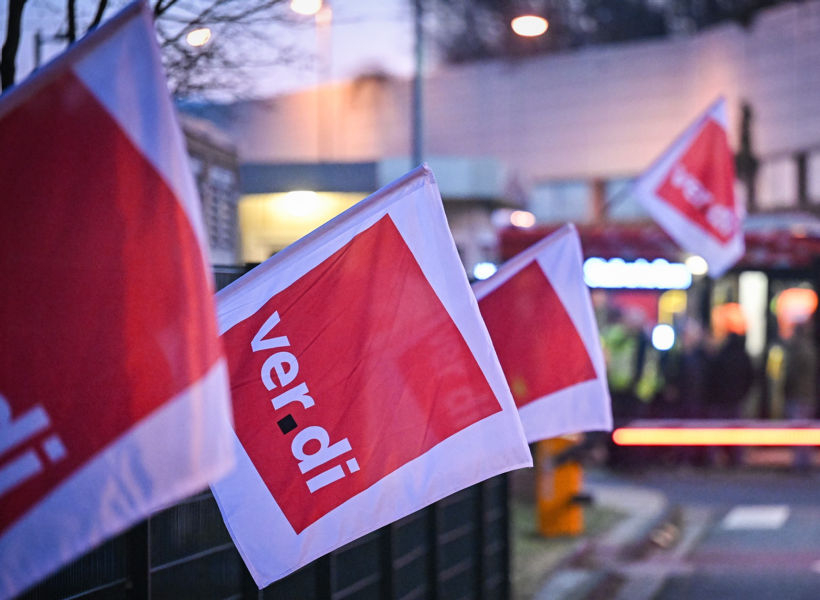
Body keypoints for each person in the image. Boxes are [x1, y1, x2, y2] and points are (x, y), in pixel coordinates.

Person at [783, 320, 818, 470]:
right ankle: (804, 462)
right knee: (805, 431)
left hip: (799, 395)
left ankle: (800, 463)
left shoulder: (798, 351)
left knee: (799, 431)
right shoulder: (811, 350)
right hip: (808, 395)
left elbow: (792, 374)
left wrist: (786, 389)